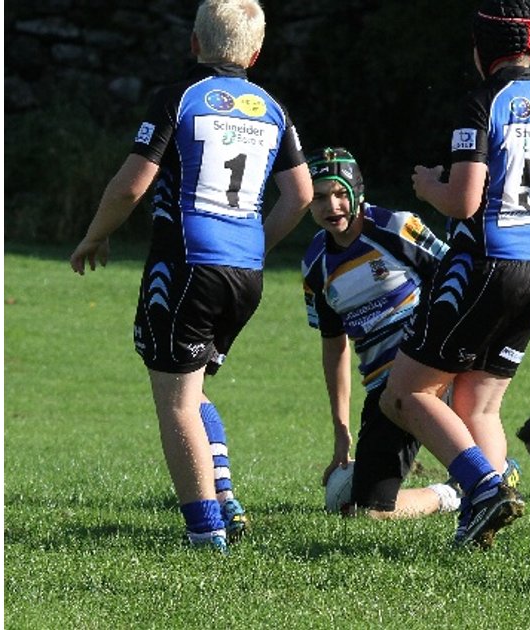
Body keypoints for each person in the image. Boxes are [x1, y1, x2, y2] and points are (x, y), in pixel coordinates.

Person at [68, 0, 314, 553]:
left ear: (195, 45)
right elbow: (299, 195)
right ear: (255, 52)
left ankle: (206, 532)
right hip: (244, 276)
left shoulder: (181, 98)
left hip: (187, 267)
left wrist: (94, 234)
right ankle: (223, 497)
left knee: (176, 400)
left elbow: (132, 185)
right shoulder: (272, 109)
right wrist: (254, 244)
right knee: (193, 386)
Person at [379, 0, 530, 549]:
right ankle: (480, 524)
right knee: (478, 403)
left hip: (483, 266)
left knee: (406, 394)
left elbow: (463, 202)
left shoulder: (483, 101)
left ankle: (484, 489)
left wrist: (426, 186)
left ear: (480, 50)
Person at [300, 147, 461, 520]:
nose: (332, 206)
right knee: (366, 511)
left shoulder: (395, 227)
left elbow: (457, 283)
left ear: (357, 192)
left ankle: (490, 469)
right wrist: (341, 431)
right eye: (320, 197)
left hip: (430, 372)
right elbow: (334, 347)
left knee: (477, 454)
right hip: (382, 391)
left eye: (340, 193)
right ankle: (451, 493)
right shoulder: (314, 265)